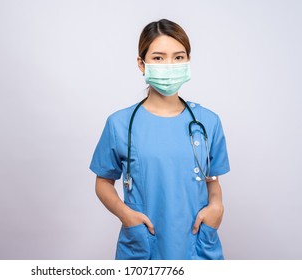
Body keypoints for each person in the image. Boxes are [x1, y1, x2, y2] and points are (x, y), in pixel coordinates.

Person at [89, 19, 230, 260]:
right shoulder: (120, 124)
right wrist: (126, 215)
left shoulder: (208, 122)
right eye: (158, 58)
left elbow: (211, 177)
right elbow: (103, 182)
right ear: (141, 64)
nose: (169, 65)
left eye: (178, 57)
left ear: (187, 61)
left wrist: (216, 206)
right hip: (144, 244)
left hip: (197, 244)